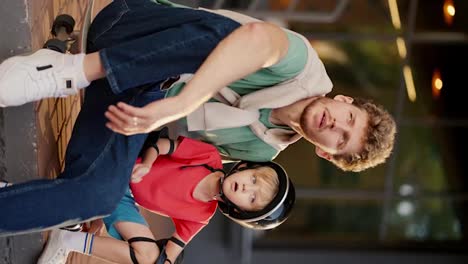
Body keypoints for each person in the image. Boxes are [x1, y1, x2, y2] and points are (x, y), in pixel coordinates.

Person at [0, 0, 396, 235]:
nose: (336, 124)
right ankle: (63, 72)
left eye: (342, 139)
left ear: (327, 155)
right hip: (130, 29)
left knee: (97, 196)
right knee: (232, 36)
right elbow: (255, 38)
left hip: (132, 99)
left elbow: (173, 155)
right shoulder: (302, 64)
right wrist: (183, 103)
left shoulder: (259, 151)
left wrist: (111, 192)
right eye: (349, 117)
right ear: (345, 99)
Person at [36, 134, 295, 264]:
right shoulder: (209, 157)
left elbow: (173, 250)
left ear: (241, 212)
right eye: (252, 180)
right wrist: (148, 163)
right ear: (246, 167)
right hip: (120, 167)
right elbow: (162, 145)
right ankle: (80, 216)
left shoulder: (203, 215)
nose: (245, 187)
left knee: (150, 258)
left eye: (250, 198)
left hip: (121, 200)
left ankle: (68, 240)